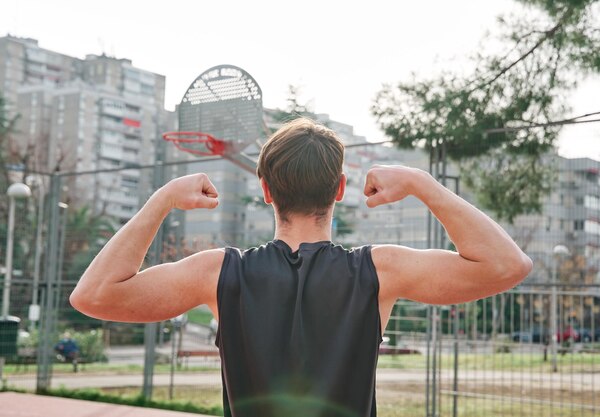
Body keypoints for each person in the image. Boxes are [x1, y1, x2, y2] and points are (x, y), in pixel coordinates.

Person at [70, 118, 532, 417]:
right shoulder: (378, 270)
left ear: (266, 191)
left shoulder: (218, 272)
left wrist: (163, 199)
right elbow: (507, 264)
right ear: (339, 189)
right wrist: (420, 182)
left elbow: (92, 295)